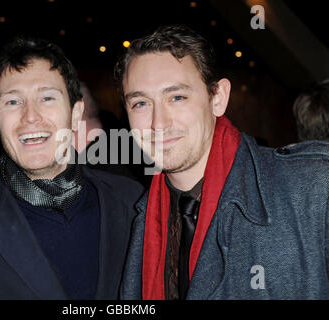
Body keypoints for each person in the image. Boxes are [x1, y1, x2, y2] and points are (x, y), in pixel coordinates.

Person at [0, 36, 144, 299]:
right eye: (12, 102)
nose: (30, 116)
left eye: (47, 98)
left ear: (76, 114)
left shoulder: (133, 203)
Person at [115, 24, 329, 300]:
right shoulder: (135, 218)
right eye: (141, 104)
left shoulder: (313, 189)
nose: (159, 123)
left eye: (177, 97)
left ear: (218, 98)